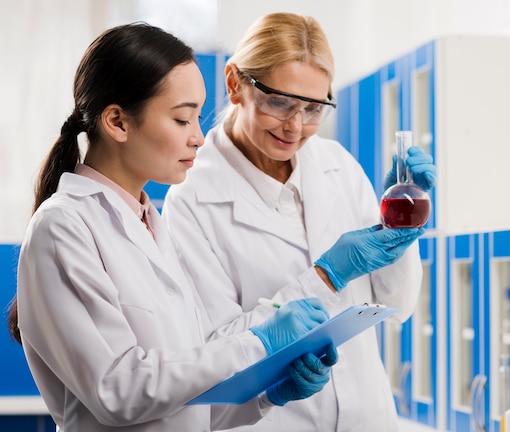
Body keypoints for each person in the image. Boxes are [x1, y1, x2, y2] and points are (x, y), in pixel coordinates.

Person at [5, 22, 341, 432]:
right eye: (183, 120)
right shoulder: (63, 226)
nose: (199, 137)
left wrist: (271, 393)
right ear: (118, 122)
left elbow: (190, 398)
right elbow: (118, 391)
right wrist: (258, 342)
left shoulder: (151, 226)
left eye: (199, 118)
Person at [162, 12, 437, 432]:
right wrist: (326, 277)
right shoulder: (193, 200)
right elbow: (214, 351)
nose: (296, 126)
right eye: (279, 102)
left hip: (370, 419)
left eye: (313, 108)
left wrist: (398, 229)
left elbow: (396, 306)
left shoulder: (337, 165)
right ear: (235, 84)